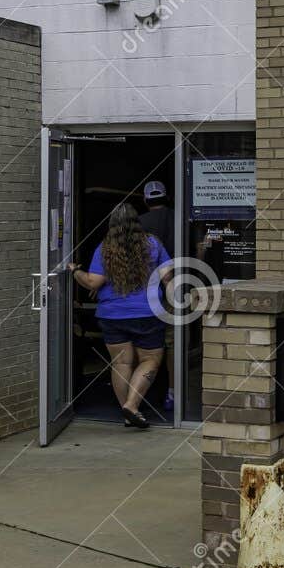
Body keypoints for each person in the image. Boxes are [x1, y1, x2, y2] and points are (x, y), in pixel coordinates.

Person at [67, 202, 172, 428]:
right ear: (137, 222)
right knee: (150, 360)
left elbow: (93, 282)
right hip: (147, 313)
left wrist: (76, 271)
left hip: (112, 316)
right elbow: (167, 278)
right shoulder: (153, 244)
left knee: (122, 363)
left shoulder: (105, 248)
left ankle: (127, 412)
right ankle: (132, 406)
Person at [138, 179, 178, 411]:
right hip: (176, 288)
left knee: (145, 343)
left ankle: (139, 391)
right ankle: (172, 392)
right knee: (173, 343)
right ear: (167, 197)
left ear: (145, 200)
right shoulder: (179, 218)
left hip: (145, 293)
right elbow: (197, 250)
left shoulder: (139, 224)